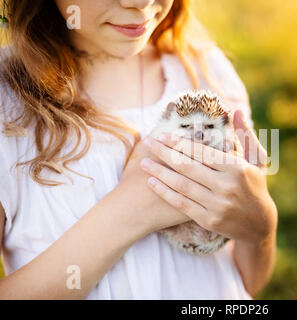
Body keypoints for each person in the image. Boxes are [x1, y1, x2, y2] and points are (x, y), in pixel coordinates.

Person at [0, 0, 277, 299]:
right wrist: (131, 212)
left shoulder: (209, 71)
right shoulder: (8, 106)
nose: (141, 2)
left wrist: (260, 229)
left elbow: (244, 282)